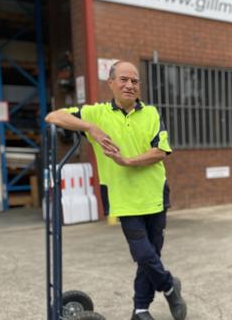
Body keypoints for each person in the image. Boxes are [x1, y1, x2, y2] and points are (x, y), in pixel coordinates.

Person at [45, 61, 187, 320]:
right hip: (123, 198)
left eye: (134, 81)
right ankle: (169, 288)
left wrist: (128, 161)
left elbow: (161, 151)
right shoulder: (96, 114)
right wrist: (90, 128)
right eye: (123, 79)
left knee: (149, 257)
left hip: (155, 195)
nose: (129, 85)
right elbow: (53, 117)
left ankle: (140, 310)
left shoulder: (152, 114)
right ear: (111, 83)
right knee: (143, 254)